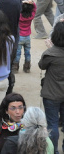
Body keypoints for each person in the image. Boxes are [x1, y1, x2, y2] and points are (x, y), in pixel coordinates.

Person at [38, 21, 64, 154]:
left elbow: (41, 65)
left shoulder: (50, 53)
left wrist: (49, 48)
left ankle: (53, 150)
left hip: (51, 94)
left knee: (52, 124)